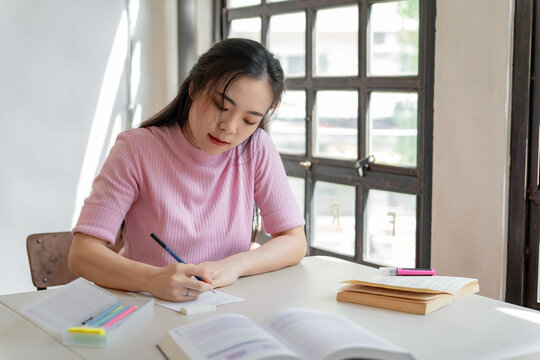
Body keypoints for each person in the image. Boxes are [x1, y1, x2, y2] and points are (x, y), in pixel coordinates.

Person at [68, 38, 306, 302]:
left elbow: (294, 241)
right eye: (221, 106)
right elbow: (82, 254)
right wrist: (152, 279)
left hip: (225, 309)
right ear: (194, 86)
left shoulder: (256, 149)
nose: (229, 127)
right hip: (149, 306)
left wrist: (235, 266)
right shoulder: (136, 148)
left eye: (250, 120)